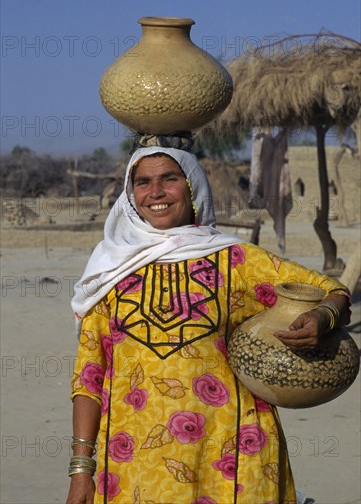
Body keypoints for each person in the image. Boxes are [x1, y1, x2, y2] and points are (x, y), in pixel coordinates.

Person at [66, 145, 351, 504]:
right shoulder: (108, 273)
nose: (156, 192)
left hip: (232, 453)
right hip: (132, 458)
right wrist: (81, 470)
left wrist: (323, 317)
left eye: (170, 179)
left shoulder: (236, 260)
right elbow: (89, 377)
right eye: (143, 182)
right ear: (130, 194)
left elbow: (333, 289)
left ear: (192, 186)